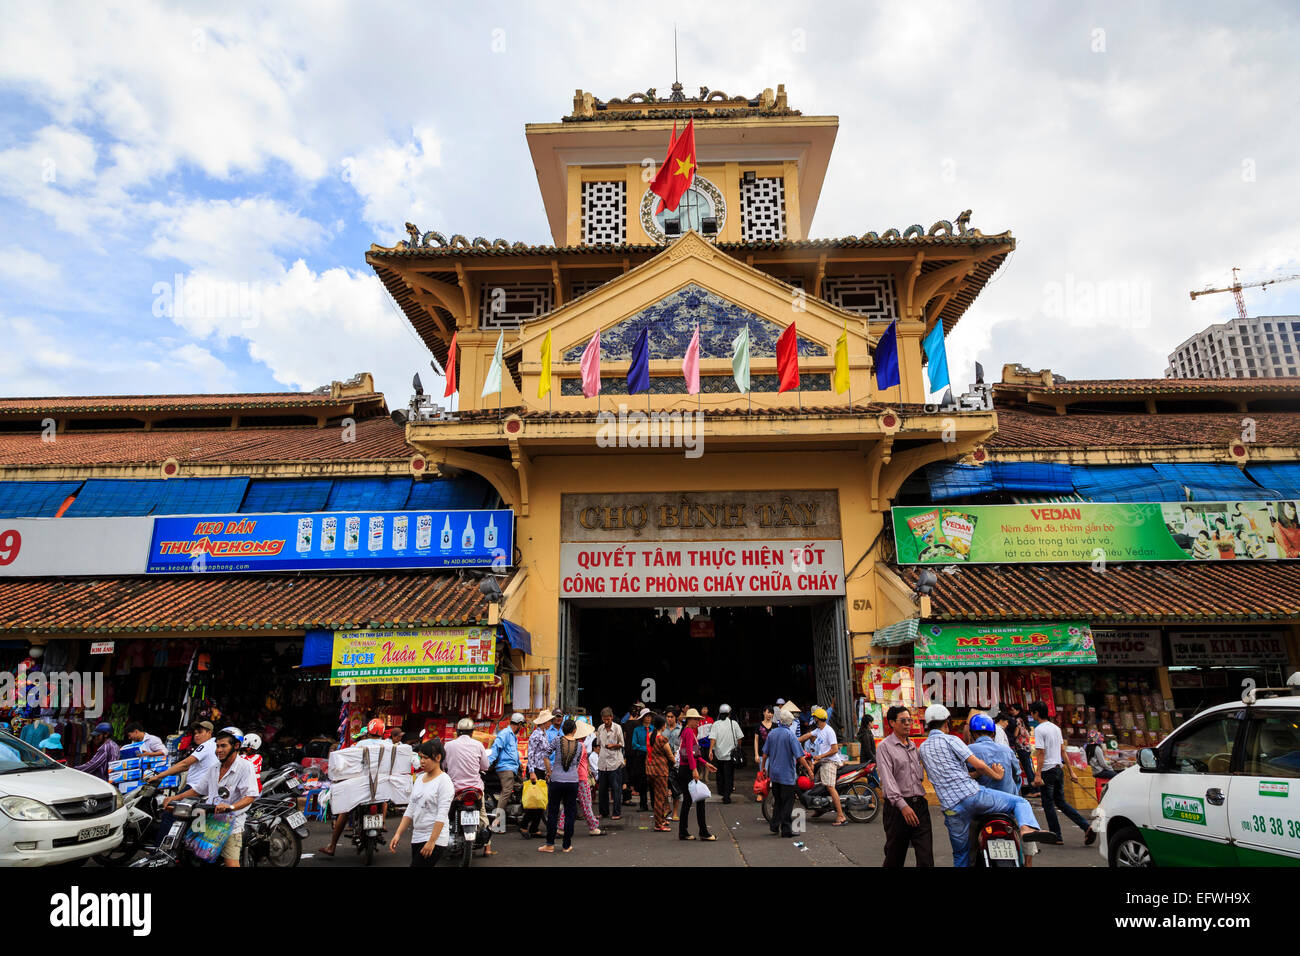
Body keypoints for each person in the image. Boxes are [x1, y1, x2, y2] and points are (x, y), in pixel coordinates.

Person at [918, 704, 1057, 867]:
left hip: (951, 808)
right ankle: (1027, 828)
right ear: (947, 722)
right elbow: (982, 766)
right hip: (974, 798)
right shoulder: (953, 740)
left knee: (961, 854)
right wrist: (997, 775)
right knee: (1020, 802)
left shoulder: (922, 748)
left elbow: (938, 774)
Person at [318, 717, 392, 857]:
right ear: (382, 732)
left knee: (345, 811)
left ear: (368, 732)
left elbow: (348, 765)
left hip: (359, 787)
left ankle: (332, 846)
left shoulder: (357, 745)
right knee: (383, 797)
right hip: (381, 786)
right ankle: (382, 822)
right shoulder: (389, 745)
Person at [1029, 701, 1092, 845]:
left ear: (1037, 713)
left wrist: (1038, 774)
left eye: (1032, 712)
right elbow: (1062, 751)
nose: (1031, 715)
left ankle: (1056, 835)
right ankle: (1086, 826)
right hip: (1058, 768)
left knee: (1048, 804)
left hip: (1047, 770)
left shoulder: (1039, 729)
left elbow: (1041, 753)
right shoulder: (1056, 728)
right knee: (1061, 802)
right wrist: (1071, 772)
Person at [876, 706, 932, 867]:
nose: (908, 724)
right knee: (895, 856)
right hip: (898, 809)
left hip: (919, 805)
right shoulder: (885, 747)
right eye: (903, 720)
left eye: (910, 720)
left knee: (926, 856)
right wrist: (903, 806)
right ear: (892, 723)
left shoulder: (913, 746)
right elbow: (888, 780)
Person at [390, 739, 453, 867]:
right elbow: (411, 809)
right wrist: (398, 834)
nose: (421, 761)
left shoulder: (444, 781)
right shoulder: (419, 779)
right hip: (417, 836)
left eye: (425, 758)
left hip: (435, 839)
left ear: (438, 758)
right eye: (420, 757)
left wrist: (431, 841)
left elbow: (442, 814)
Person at [444, 716, 496, 857]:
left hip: (455, 789)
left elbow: (443, 766)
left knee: (444, 813)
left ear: (457, 732)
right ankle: (488, 848)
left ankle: (444, 839)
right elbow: (485, 766)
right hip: (476, 789)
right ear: (472, 732)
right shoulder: (478, 745)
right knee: (483, 815)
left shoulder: (448, 746)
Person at [760, 709, 810, 838]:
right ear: (790, 723)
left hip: (774, 774)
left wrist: (763, 768)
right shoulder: (790, 735)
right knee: (788, 802)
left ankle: (774, 825)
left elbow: (765, 754)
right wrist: (809, 770)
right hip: (786, 775)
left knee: (778, 800)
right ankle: (786, 829)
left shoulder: (772, 734)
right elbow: (800, 756)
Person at [540, 718, 582, 853]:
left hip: (556, 780)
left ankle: (550, 844)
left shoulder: (557, 740)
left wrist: (549, 771)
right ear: (574, 731)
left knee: (553, 812)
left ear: (563, 729)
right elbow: (576, 762)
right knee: (570, 813)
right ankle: (566, 845)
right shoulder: (580, 745)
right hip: (572, 781)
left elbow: (546, 754)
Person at [676, 708, 717, 841]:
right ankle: (702, 832)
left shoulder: (689, 732)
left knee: (689, 801)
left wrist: (705, 764)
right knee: (697, 799)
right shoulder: (688, 732)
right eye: (695, 719)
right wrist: (694, 770)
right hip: (687, 770)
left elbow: (694, 754)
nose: (697, 722)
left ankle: (684, 831)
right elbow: (689, 752)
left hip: (686, 769)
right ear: (689, 720)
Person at [557, 720, 603, 836]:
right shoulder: (581, 746)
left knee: (568, 803)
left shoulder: (567, 744)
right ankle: (593, 826)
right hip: (581, 778)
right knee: (586, 803)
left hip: (570, 778)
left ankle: (561, 827)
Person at [148, 719, 216, 793]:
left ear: (209, 732)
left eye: (200, 732)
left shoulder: (206, 745)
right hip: (204, 786)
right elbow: (187, 766)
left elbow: (185, 764)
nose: (196, 735)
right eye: (195, 733)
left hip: (196, 787)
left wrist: (159, 776)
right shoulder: (213, 744)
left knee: (170, 802)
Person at [808, 707, 847, 825]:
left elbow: (834, 749)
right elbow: (807, 735)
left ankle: (840, 816)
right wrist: (794, 741)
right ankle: (820, 809)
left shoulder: (829, 731)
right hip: (823, 762)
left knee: (830, 786)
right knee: (817, 785)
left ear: (818, 719)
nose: (814, 719)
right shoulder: (819, 730)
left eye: (814, 717)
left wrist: (820, 757)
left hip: (830, 762)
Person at [522, 709, 554, 838]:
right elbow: (530, 754)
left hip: (541, 769)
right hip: (535, 770)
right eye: (549, 720)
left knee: (539, 801)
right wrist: (531, 772)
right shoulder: (536, 735)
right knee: (535, 800)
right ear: (545, 722)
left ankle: (533, 827)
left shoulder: (544, 733)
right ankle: (526, 825)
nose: (551, 722)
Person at [707, 703, 744, 804]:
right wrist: (738, 747)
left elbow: (713, 738)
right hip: (730, 756)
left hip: (719, 755)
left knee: (720, 775)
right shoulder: (734, 723)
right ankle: (727, 796)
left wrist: (711, 750)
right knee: (729, 776)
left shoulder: (716, 724)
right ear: (729, 713)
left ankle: (722, 792)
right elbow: (740, 737)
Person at [488, 712, 524, 811]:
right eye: (521, 726)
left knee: (522, 786)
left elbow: (512, 753)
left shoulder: (512, 736)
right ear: (519, 724)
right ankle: (498, 818)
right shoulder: (505, 734)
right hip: (505, 768)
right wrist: (488, 763)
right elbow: (496, 748)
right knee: (507, 791)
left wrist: (519, 764)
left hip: (513, 768)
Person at [594, 707, 625, 820]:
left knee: (616, 789)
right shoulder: (600, 728)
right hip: (602, 762)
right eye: (604, 719)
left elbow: (621, 744)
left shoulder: (617, 728)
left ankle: (617, 812)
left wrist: (613, 746)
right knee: (602, 790)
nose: (606, 721)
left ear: (611, 717)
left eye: (608, 719)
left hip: (614, 762)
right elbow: (598, 743)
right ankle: (603, 812)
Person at [645, 713, 675, 831]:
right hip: (660, 771)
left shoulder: (649, 736)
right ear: (663, 726)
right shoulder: (662, 739)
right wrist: (673, 761)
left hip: (650, 770)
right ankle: (658, 824)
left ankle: (661, 820)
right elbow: (670, 756)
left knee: (656, 796)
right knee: (660, 798)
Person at [629, 708, 653, 811]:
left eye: (649, 716)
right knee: (642, 782)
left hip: (652, 757)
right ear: (642, 718)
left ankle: (654, 804)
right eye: (646, 716)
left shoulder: (654, 729)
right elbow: (634, 744)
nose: (648, 718)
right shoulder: (637, 730)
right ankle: (643, 805)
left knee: (652, 781)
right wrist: (646, 749)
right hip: (641, 757)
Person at [663, 707, 683, 821]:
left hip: (676, 761)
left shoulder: (680, 729)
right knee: (663, 786)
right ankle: (666, 807)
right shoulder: (663, 729)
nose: (669, 719)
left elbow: (682, 745)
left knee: (675, 788)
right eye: (668, 717)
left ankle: (675, 812)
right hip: (664, 760)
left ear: (675, 718)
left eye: (671, 717)